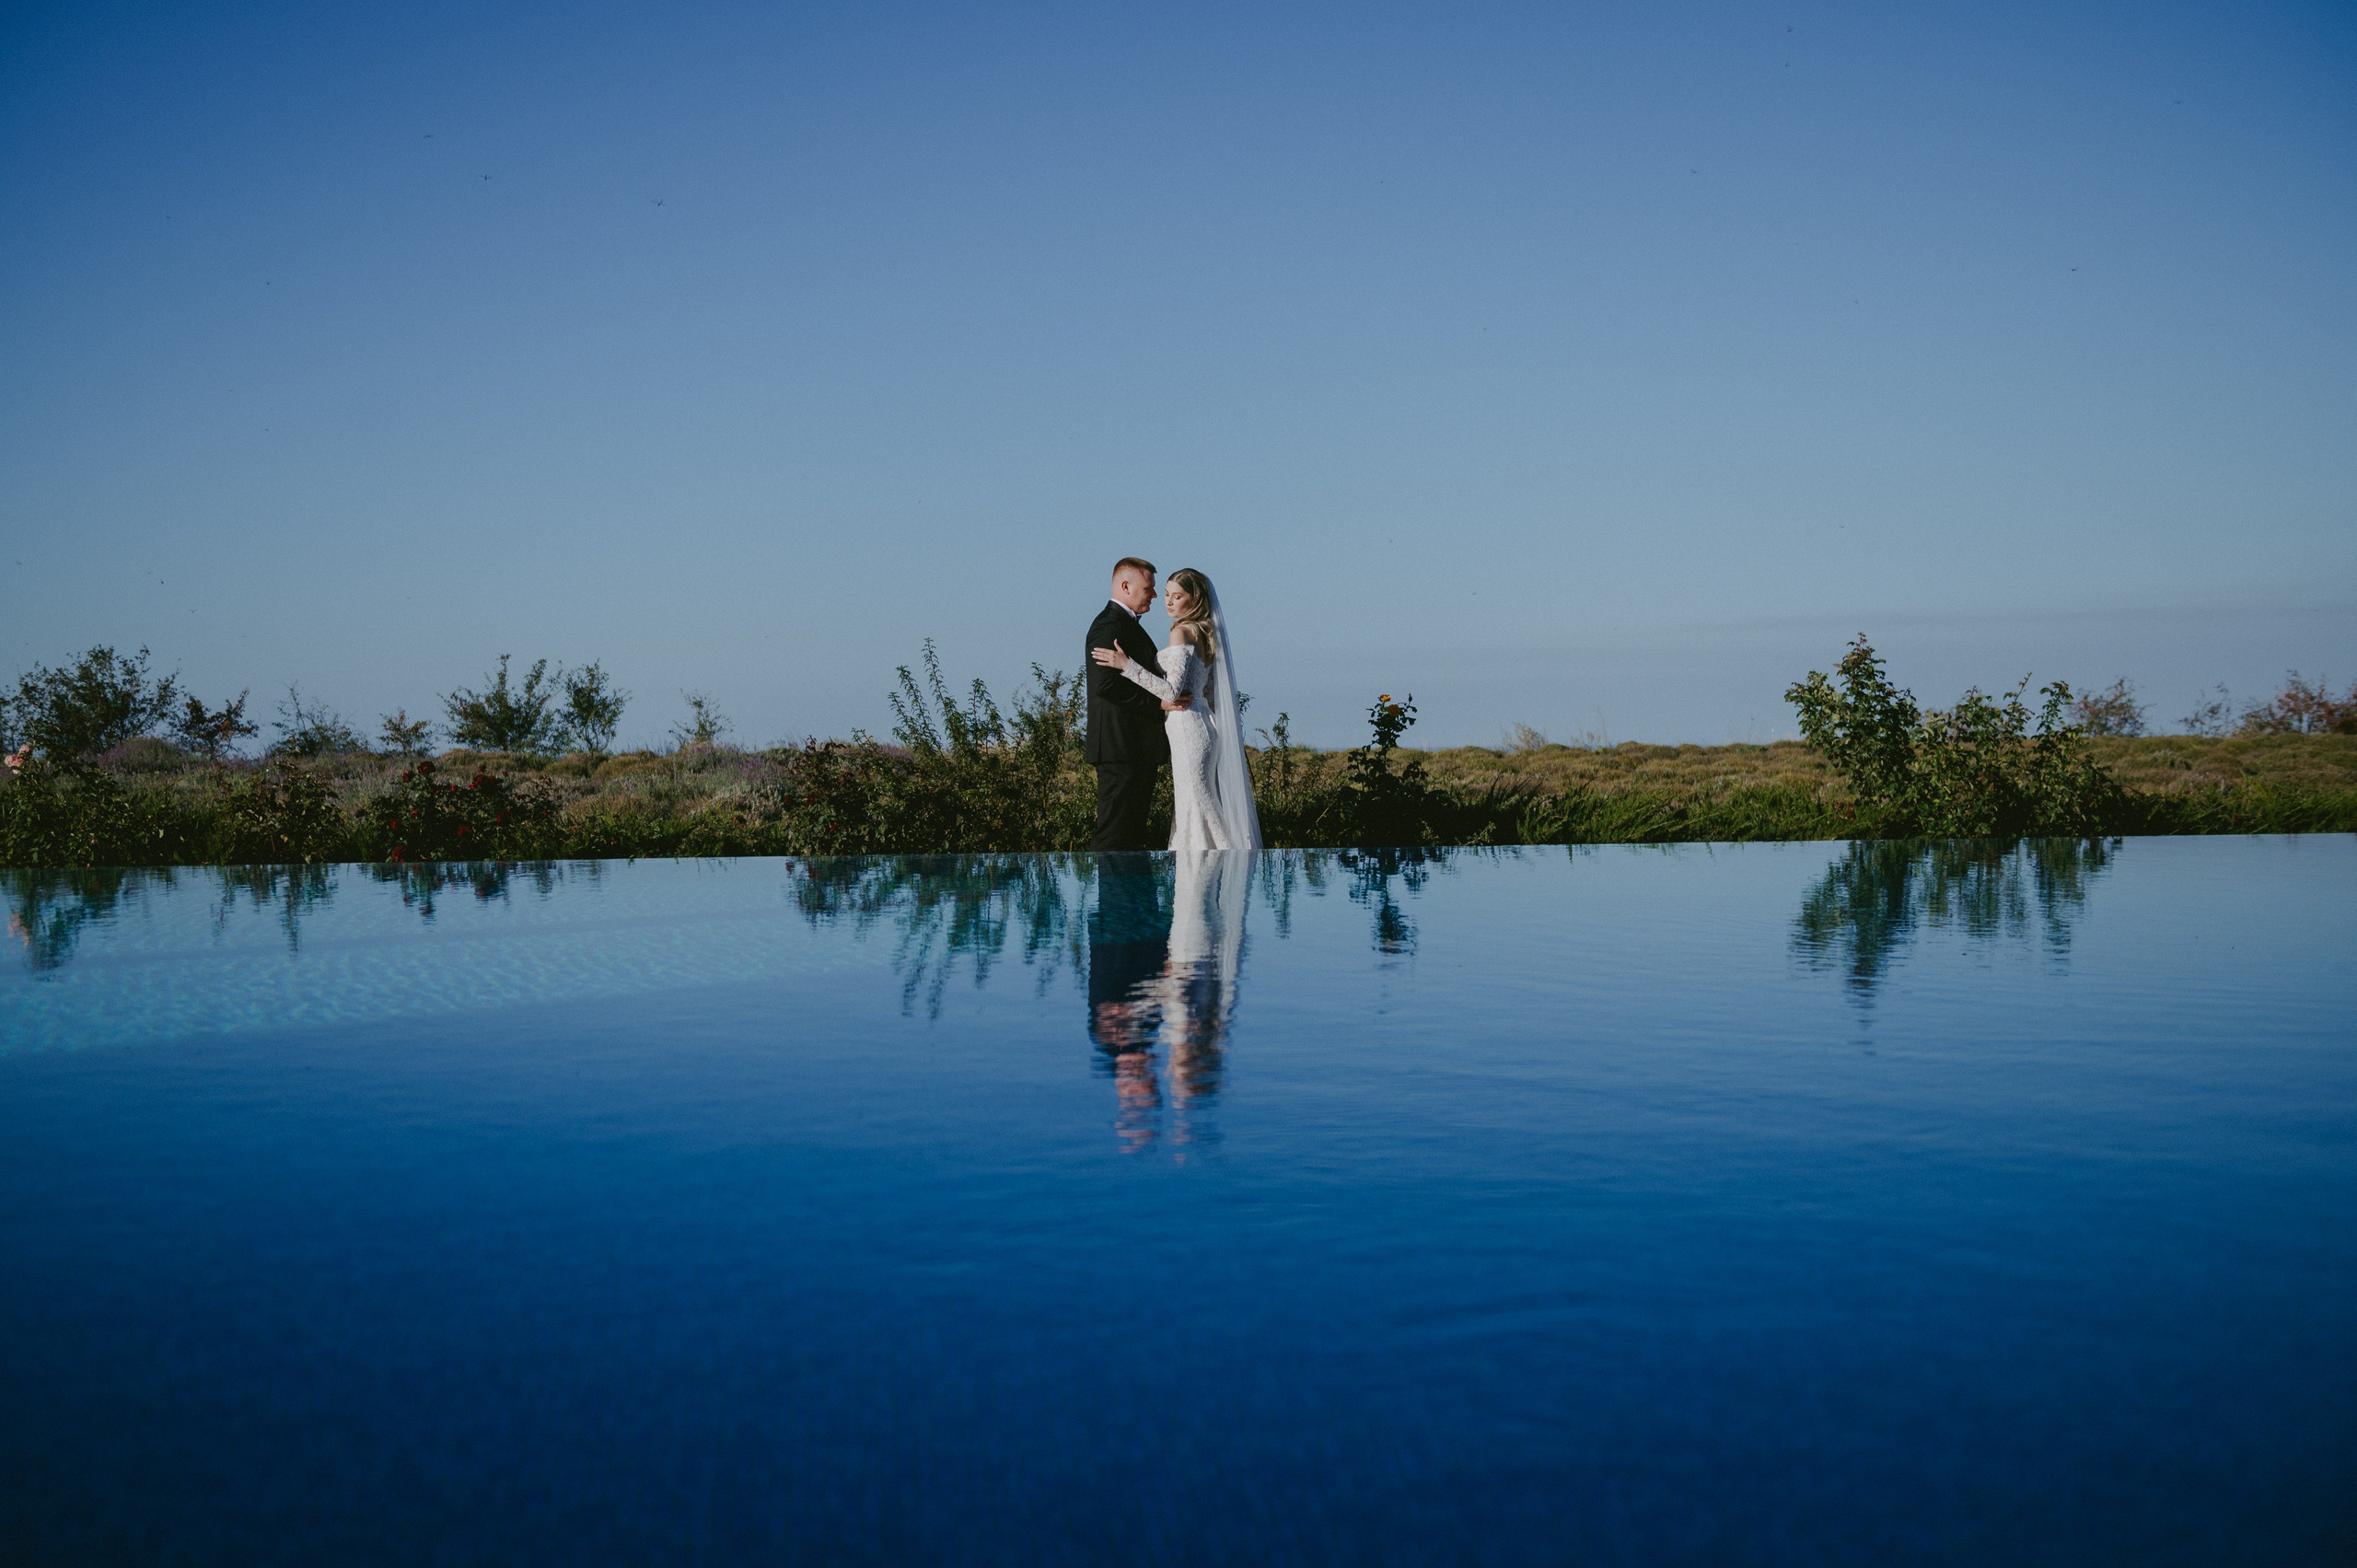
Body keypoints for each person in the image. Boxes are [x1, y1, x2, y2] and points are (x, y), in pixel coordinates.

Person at [1089, 567, 1263, 853]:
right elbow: (1207, 693)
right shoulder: (1205, 633)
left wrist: (1126, 666)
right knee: (1198, 799)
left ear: (1195, 598)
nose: (1168, 602)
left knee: (1195, 801)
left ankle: (1210, 864)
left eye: (1177, 596)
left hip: (1187, 728)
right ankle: (1211, 866)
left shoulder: (1181, 631)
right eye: (1167, 595)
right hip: (1204, 725)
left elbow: (1171, 692)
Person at [1085, 558, 1187, 852]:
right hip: (1120, 748)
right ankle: (1113, 899)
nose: (1156, 595)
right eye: (1150, 588)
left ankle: (1124, 898)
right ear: (1125, 586)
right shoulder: (1109, 626)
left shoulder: (1126, 625)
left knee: (1128, 836)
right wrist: (1159, 704)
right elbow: (1106, 684)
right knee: (1114, 835)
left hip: (1133, 748)